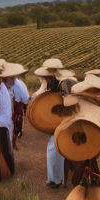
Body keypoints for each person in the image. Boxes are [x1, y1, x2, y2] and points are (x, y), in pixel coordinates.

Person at [31, 59, 68, 188]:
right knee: (54, 149)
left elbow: (66, 101)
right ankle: (54, 179)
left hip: (61, 119)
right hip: (51, 119)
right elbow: (38, 95)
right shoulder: (47, 83)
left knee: (56, 148)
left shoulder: (63, 83)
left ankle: (57, 180)